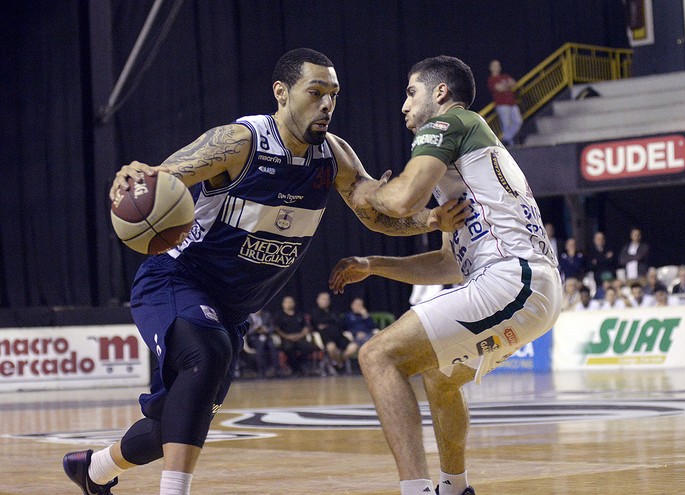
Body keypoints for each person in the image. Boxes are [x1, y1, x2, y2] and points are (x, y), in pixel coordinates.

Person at [61, 48, 465, 495]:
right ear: (282, 93)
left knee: (168, 426)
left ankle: (91, 468)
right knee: (206, 355)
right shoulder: (241, 142)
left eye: (333, 94)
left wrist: (430, 219)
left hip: (232, 311)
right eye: (316, 92)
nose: (327, 104)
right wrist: (140, 174)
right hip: (176, 280)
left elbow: (376, 212)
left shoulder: (334, 157)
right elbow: (165, 175)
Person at [330, 55, 561, 495]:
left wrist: (369, 190)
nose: (403, 106)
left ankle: (415, 491)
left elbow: (399, 202)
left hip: (513, 280)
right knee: (440, 375)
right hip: (523, 286)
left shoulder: (452, 122)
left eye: (411, 92)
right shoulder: (466, 165)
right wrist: (374, 265)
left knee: (377, 356)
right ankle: (455, 488)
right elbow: (448, 265)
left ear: (440, 93)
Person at [311, 291, 357, 372]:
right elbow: (317, 323)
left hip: (339, 335)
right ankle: (339, 364)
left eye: (327, 299)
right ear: (318, 300)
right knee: (331, 348)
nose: (325, 301)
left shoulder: (334, 310)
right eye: (323, 299)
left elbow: (340, 322)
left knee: (354, 346)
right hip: (326, 336)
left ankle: (339, 361)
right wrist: (331, 321)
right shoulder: (315, 312)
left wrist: (328, 323)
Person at [273, 295, 316, 376]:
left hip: (300, 338)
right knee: (288, 348)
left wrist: (300, 335)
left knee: (308, 347)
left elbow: (306, 327)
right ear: (283, 304)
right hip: (286, 339)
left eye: (291, 302)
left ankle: (302, 366)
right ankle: (295, 368)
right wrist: (287, 337)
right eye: (287, 302)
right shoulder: (279, 316)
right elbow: (277, 330)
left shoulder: (299, 314)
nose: (289, 304)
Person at [487, 59, 522, 147]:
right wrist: (508, 85)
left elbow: (514, 84)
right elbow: (499, 88)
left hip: (512, 103)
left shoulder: (505, 76)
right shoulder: (492, 79)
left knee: (518, 121)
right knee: (506, 125)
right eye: (494, 65)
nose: (497, 67)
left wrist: (506, 85)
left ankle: (505, 140)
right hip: (502, 105)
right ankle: (510, 145)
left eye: (498, 65)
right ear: (491, 68)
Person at [245, 309, 283, 378]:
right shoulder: (247, 317)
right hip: (254, 337)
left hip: (267, 336)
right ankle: (261, 372)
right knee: (260, 347)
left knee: (273, 347)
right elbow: (246, 331)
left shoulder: (267, 315)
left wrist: (266, 330)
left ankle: (277, 371)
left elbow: (272, 327)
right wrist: (255, 330)